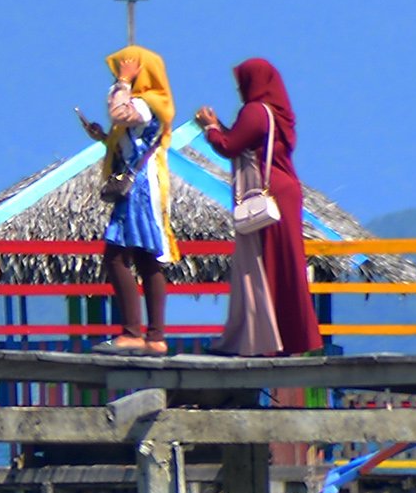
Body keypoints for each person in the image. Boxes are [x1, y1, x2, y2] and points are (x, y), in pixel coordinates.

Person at [194, 56, 321, 357]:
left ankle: (265, 340)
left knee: (265, 265)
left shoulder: (254, 111)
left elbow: (229, 146)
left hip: (268, 193)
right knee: (286, 263)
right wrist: (221, 127)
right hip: (285, 191)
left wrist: (210, 128)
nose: (239, 89)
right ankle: (293, 338)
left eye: (242, 82)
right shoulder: (278, 114)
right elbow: (246, 140)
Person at [80, 44, 176, 351]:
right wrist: (102, 136)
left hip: (140, 189)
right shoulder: (148, 105)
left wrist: (122, 82)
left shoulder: (147, 103)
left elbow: (119, 112)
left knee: (116, 256)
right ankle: (155, 336)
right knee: (146, 259)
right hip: (141, 185)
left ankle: (134, 331)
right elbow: (126, 133)